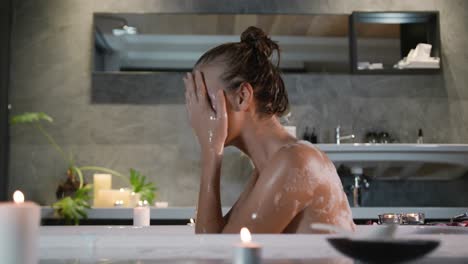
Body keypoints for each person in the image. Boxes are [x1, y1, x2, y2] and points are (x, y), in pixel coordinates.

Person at [183, 26, 355, 234]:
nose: (197, 113)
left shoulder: (295, 161)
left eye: (204, 99)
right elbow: (212, 242)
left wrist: (210, 150)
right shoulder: (267, 169)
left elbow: (218, 255)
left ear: (242, 97)